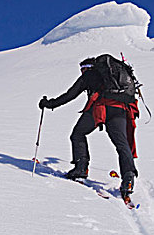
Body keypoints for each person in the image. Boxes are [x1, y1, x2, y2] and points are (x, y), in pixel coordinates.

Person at [38, 57, 138, 198]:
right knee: (122, 144)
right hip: (120, 109)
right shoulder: (113, 76)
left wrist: (49, 104)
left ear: (87, 67)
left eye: (82, 69)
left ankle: (81, 168)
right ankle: (128, 179)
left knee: (78, 134)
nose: (81, 72)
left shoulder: (88, 75)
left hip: (100, 107)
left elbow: (70, 95)